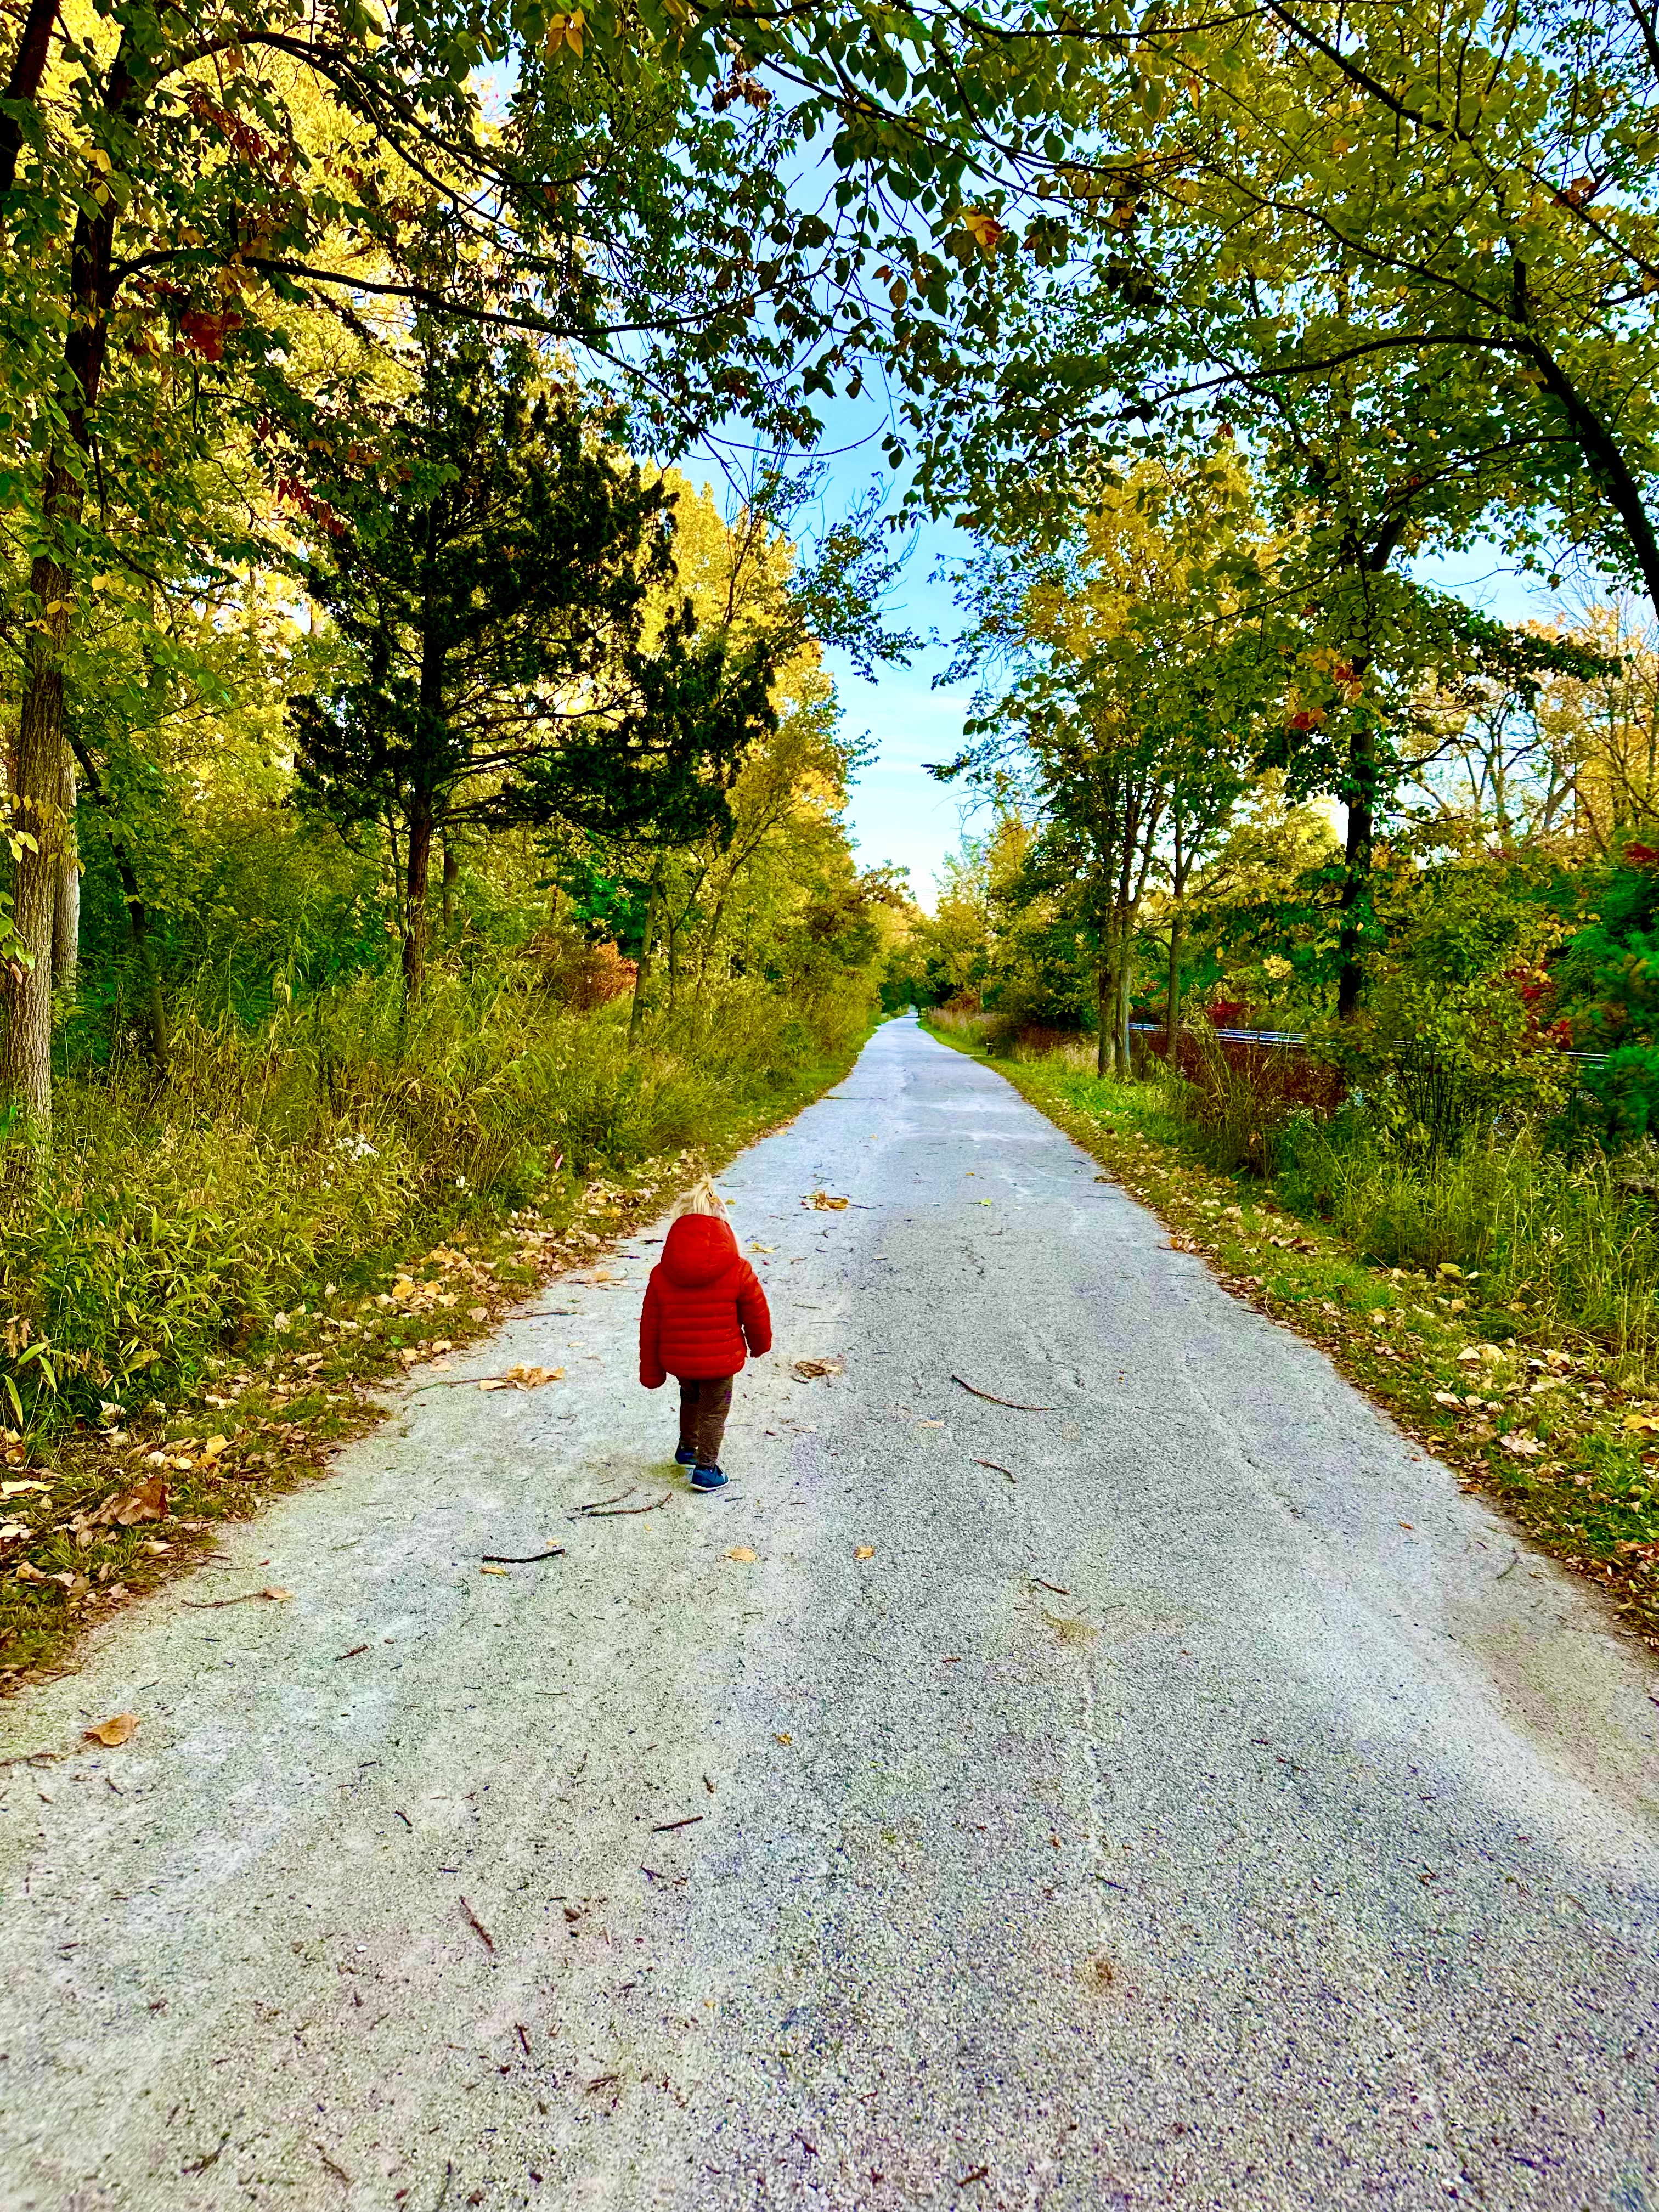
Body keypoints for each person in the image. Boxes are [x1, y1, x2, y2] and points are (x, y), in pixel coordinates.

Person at [638, 1181, 772, 1491]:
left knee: (690, 1399)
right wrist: (760, 1344)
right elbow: (756, 1312)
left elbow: (650, 1324)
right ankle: (707, 1469)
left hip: (682, 1361)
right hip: (720, 1362)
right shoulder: (738, 1269)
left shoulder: (662, 1273)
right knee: (714, 1411)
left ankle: (687, 1448)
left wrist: (652, 1370)